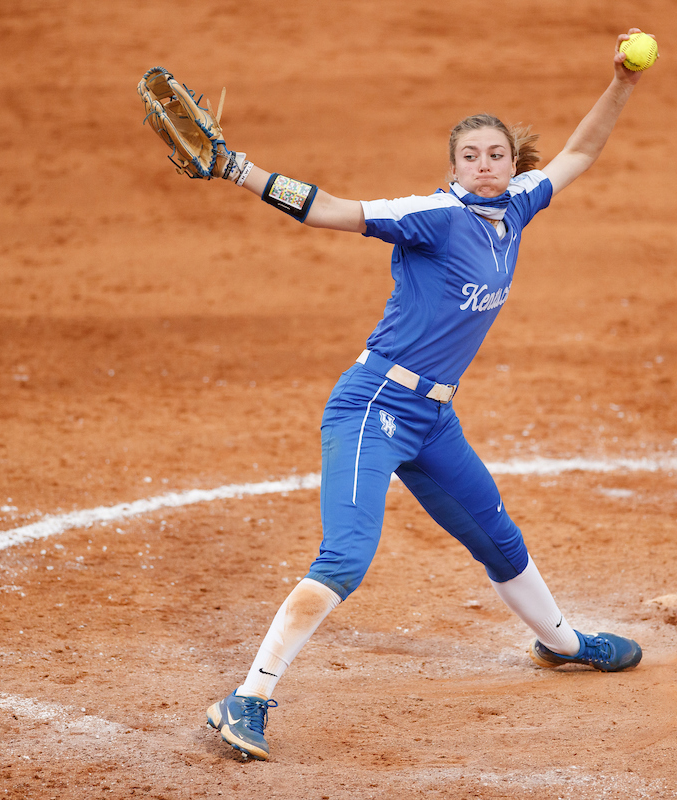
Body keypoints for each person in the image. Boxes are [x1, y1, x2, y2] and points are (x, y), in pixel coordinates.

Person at [201, 30, 651, 761]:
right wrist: (240, 169)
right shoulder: (433, 216)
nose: (484, 166)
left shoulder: (518, 209)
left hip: (433, 418)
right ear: (452, 167)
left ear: (510, 163)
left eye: (495, 155)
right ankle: (246, 698)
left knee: (498, 539)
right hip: (373, 405)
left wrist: (622, 86)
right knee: (346, 556)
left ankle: (562, 644)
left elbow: (579, 155)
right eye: (470, 156)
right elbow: (329, 210)